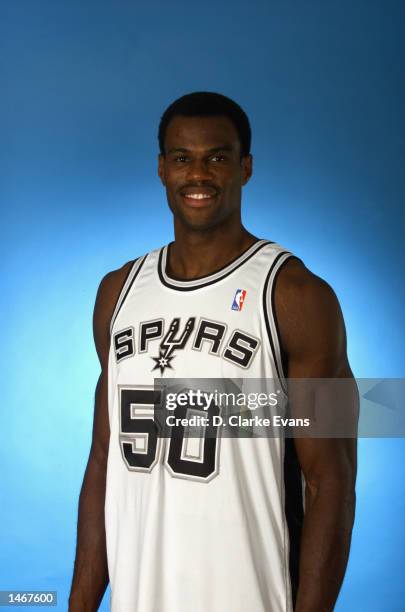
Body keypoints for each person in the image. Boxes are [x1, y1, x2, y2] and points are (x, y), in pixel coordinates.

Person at [69, 92, 358, 612]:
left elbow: (329, 480)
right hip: (140, 595)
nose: (198, 174)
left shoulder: (296, 295)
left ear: (245, 168)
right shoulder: (117, 292)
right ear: (162, 169)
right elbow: (102, 462)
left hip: (250, 593)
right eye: (182, 158)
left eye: (217, 157)